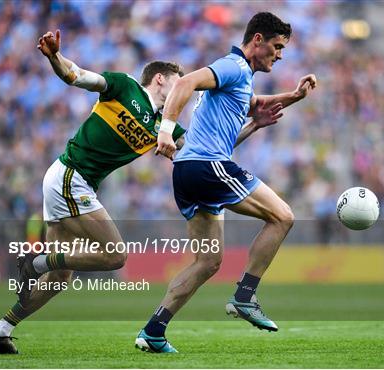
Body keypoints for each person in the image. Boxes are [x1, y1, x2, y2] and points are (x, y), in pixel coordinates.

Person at [0, 29, 282, 355]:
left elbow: (202, 151)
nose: (179, 92)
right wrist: (54, 55)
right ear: (159, 79)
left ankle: (1, 329)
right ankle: (36, 262)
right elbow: (76, 75)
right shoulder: (124, 87)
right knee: (115, 255)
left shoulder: (163, 126)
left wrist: (253, 126)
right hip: (70, 175)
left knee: (60, 277)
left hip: (75, 183)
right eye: (176, 81)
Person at [137, 12, 317, 353]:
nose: (280, 55)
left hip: (189, 171)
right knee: (283, 216)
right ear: (257, 40)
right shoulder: (233, 67)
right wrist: (164, 129)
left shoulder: (238, 81)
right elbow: (184, 82)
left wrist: (291, 98)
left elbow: (251, 110)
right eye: (276, 47)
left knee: (207, 262)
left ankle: (153, 331)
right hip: (206, 167)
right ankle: (245, 296)